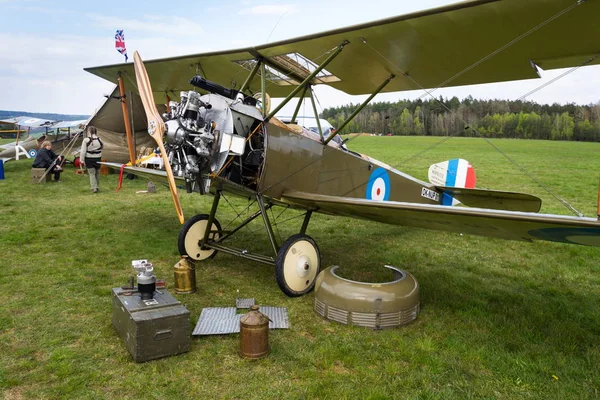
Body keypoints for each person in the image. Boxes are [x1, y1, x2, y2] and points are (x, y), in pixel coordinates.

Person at [80, 126, 103, 193]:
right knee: (97, 173)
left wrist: (81, 160)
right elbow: (101, 149)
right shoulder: (99, 139)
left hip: (89, 159)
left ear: (89, 131)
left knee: (92, 173)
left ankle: (94, 187)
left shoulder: (86, 140)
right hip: (98, 158)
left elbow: (83, 151)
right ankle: (97, 186)